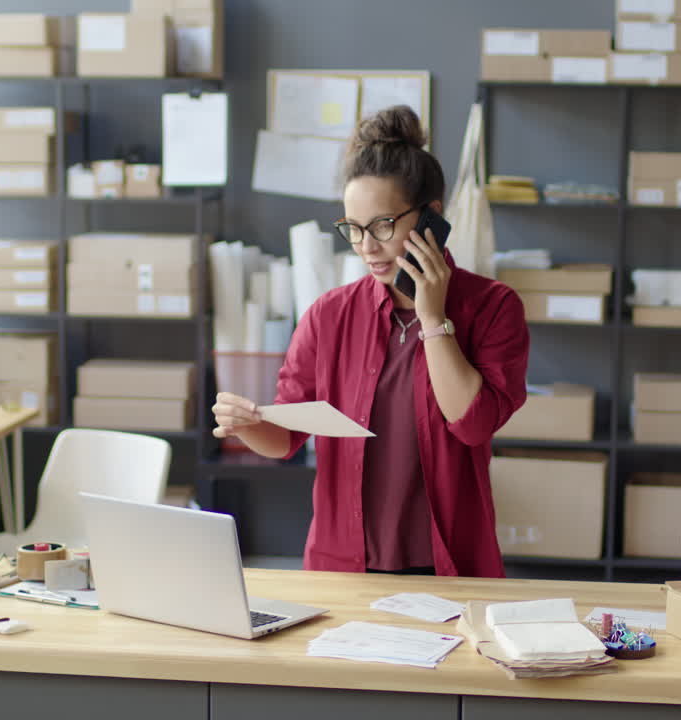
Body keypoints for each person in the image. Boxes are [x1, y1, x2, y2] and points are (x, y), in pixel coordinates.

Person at [211, 105, 529, 577]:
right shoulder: (330, 315)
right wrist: (247, 422)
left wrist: (432, 317)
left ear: (432, 218)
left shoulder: (493, 307)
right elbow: (286, 438)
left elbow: (472, 425)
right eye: (353, 230)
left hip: (450, 571)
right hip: (343, 571)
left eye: (383, 226)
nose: (366, 247)